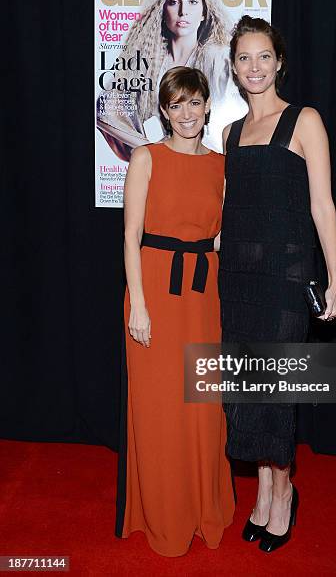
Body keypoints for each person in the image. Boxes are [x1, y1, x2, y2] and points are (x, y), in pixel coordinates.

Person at [218, 16, 336, 553]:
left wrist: (335, 277)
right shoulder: (228, 132)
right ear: (233, 67)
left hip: (289, 279)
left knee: (276, 388)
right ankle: (263, 490)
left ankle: (285, 489)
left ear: (279, 62)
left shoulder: (305, 121)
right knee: (246, 388)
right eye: (244, 58)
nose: (254, 67)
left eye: (263, 56)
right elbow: (229, 209)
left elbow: (322, 205)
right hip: (239, 281)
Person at [116, 66, 235, 557]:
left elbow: (224, 233)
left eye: (194, 102)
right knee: (160, 408)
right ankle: (163, 515)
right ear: (164, 111)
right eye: (176, 104)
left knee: (204, 408)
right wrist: (138, 306)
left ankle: (206, 509)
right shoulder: (146, 158)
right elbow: (130, 236)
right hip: (156, 297)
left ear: (208, 105)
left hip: (204, 297)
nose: (186, 113)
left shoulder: (222, 164)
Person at [97, 0, 242, 160]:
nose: (183, 11)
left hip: (207, 163)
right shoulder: (149, 62)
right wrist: (151, 148)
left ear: (204, 12)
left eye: (192, 2)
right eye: (174, 2)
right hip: (163, 166)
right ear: (162, 9)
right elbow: (105, 110)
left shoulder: (216, 58)